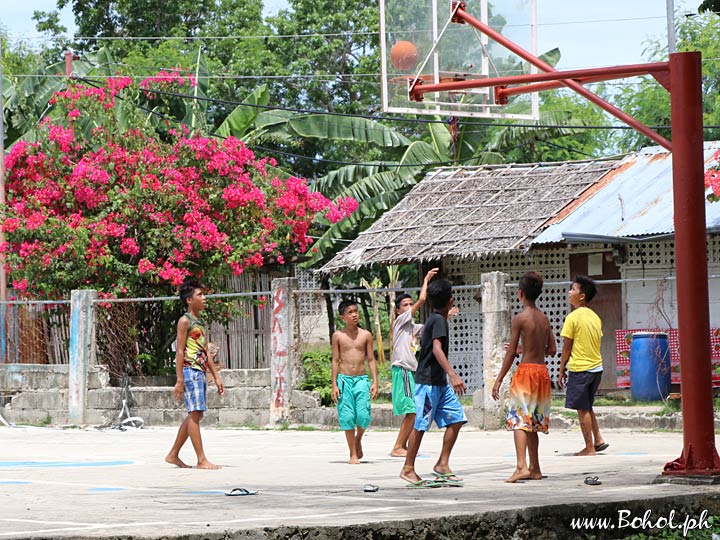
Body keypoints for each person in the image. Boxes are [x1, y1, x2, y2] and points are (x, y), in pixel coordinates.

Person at [400, 279, 467, 488]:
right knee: (420, 425)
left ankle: (442, 464)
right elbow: (437, 349)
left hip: (439, 383)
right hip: (428, 383)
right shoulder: (438, 321)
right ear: (451, 300)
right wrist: (453, 375)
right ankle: (408, 468)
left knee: (456, 419)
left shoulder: (437, 319)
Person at [492, 272, 556, 483]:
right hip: (542, 373)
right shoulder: (544, 318)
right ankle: (535, 467)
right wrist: (525, 348)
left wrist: (499, 378)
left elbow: (510, 354)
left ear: (520, 293)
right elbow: (552, 349)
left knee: (519, 420)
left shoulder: (520, 318)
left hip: (526, 373)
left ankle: (521, 467)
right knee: (533, 423)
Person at [166, 280, 224, 469]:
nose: (204, 298)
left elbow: (204, 351)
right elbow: (180, 351)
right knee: (195, 413)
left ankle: (173, 454)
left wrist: (215, 375)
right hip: (190, 372)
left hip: (199, 371)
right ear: (189, 300)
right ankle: (201, 460)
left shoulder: (199, 322)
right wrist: (180, 379)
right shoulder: (185, 321)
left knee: (195, 414)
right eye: (200, 295)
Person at [389, 268, 439, 457]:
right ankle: (398, 447)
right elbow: (423, 300)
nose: (409, 307)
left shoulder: (412, 327)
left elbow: (429, 328)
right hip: (402, 369)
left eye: (410, 304)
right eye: (405, 305)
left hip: (410, 371)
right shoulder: (400, 321)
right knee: (411, 410)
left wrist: (446, 315)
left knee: (415, 410)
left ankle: (405, 446)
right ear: (398, 310)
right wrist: (426, 280)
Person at [558, 275, 609, 456]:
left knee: (582, 408)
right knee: (587, 405)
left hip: (581, 368)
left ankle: (589, 447)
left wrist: (561, 369)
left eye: (573, 289)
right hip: (596, 367)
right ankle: (598, 439)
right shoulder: (595, 317)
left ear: (582, 296)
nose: (569, 292)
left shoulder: (572, 318)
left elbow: (566, 346)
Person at [331, 299, 379, 464]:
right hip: (344, 380)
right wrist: (334, 385)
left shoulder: (365, 335)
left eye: (355, 311)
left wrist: (375, 382)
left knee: (364, 415)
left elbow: (371, 359)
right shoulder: (338, 336)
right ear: (342, 317)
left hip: (361, 380)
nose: (354, 315)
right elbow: (335, 360)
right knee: (348, 416)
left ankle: (358, 439)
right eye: (350, 312)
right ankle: (352, 453)